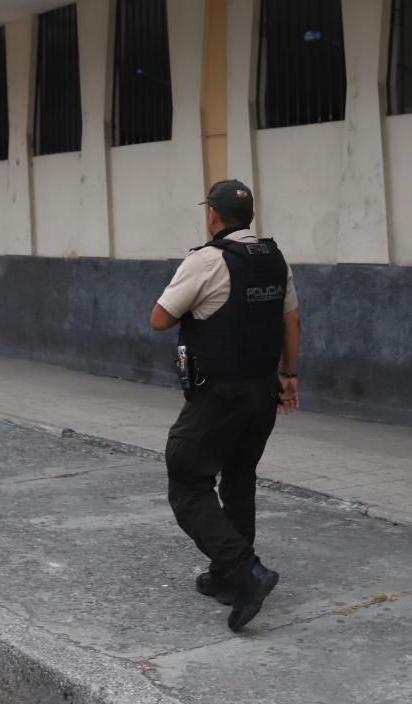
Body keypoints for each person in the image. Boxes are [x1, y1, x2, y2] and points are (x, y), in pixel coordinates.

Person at [150, 179, 301, 632]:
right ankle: (226, 579)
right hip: (262, 392)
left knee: (187, 478)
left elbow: (160, 319)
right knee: (238, 480)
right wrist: (290, 376)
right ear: (250, 216)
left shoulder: (206, 260)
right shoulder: (275, 258)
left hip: (220, 394)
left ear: (212, 216)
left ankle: (245, 572)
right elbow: (291, 322)